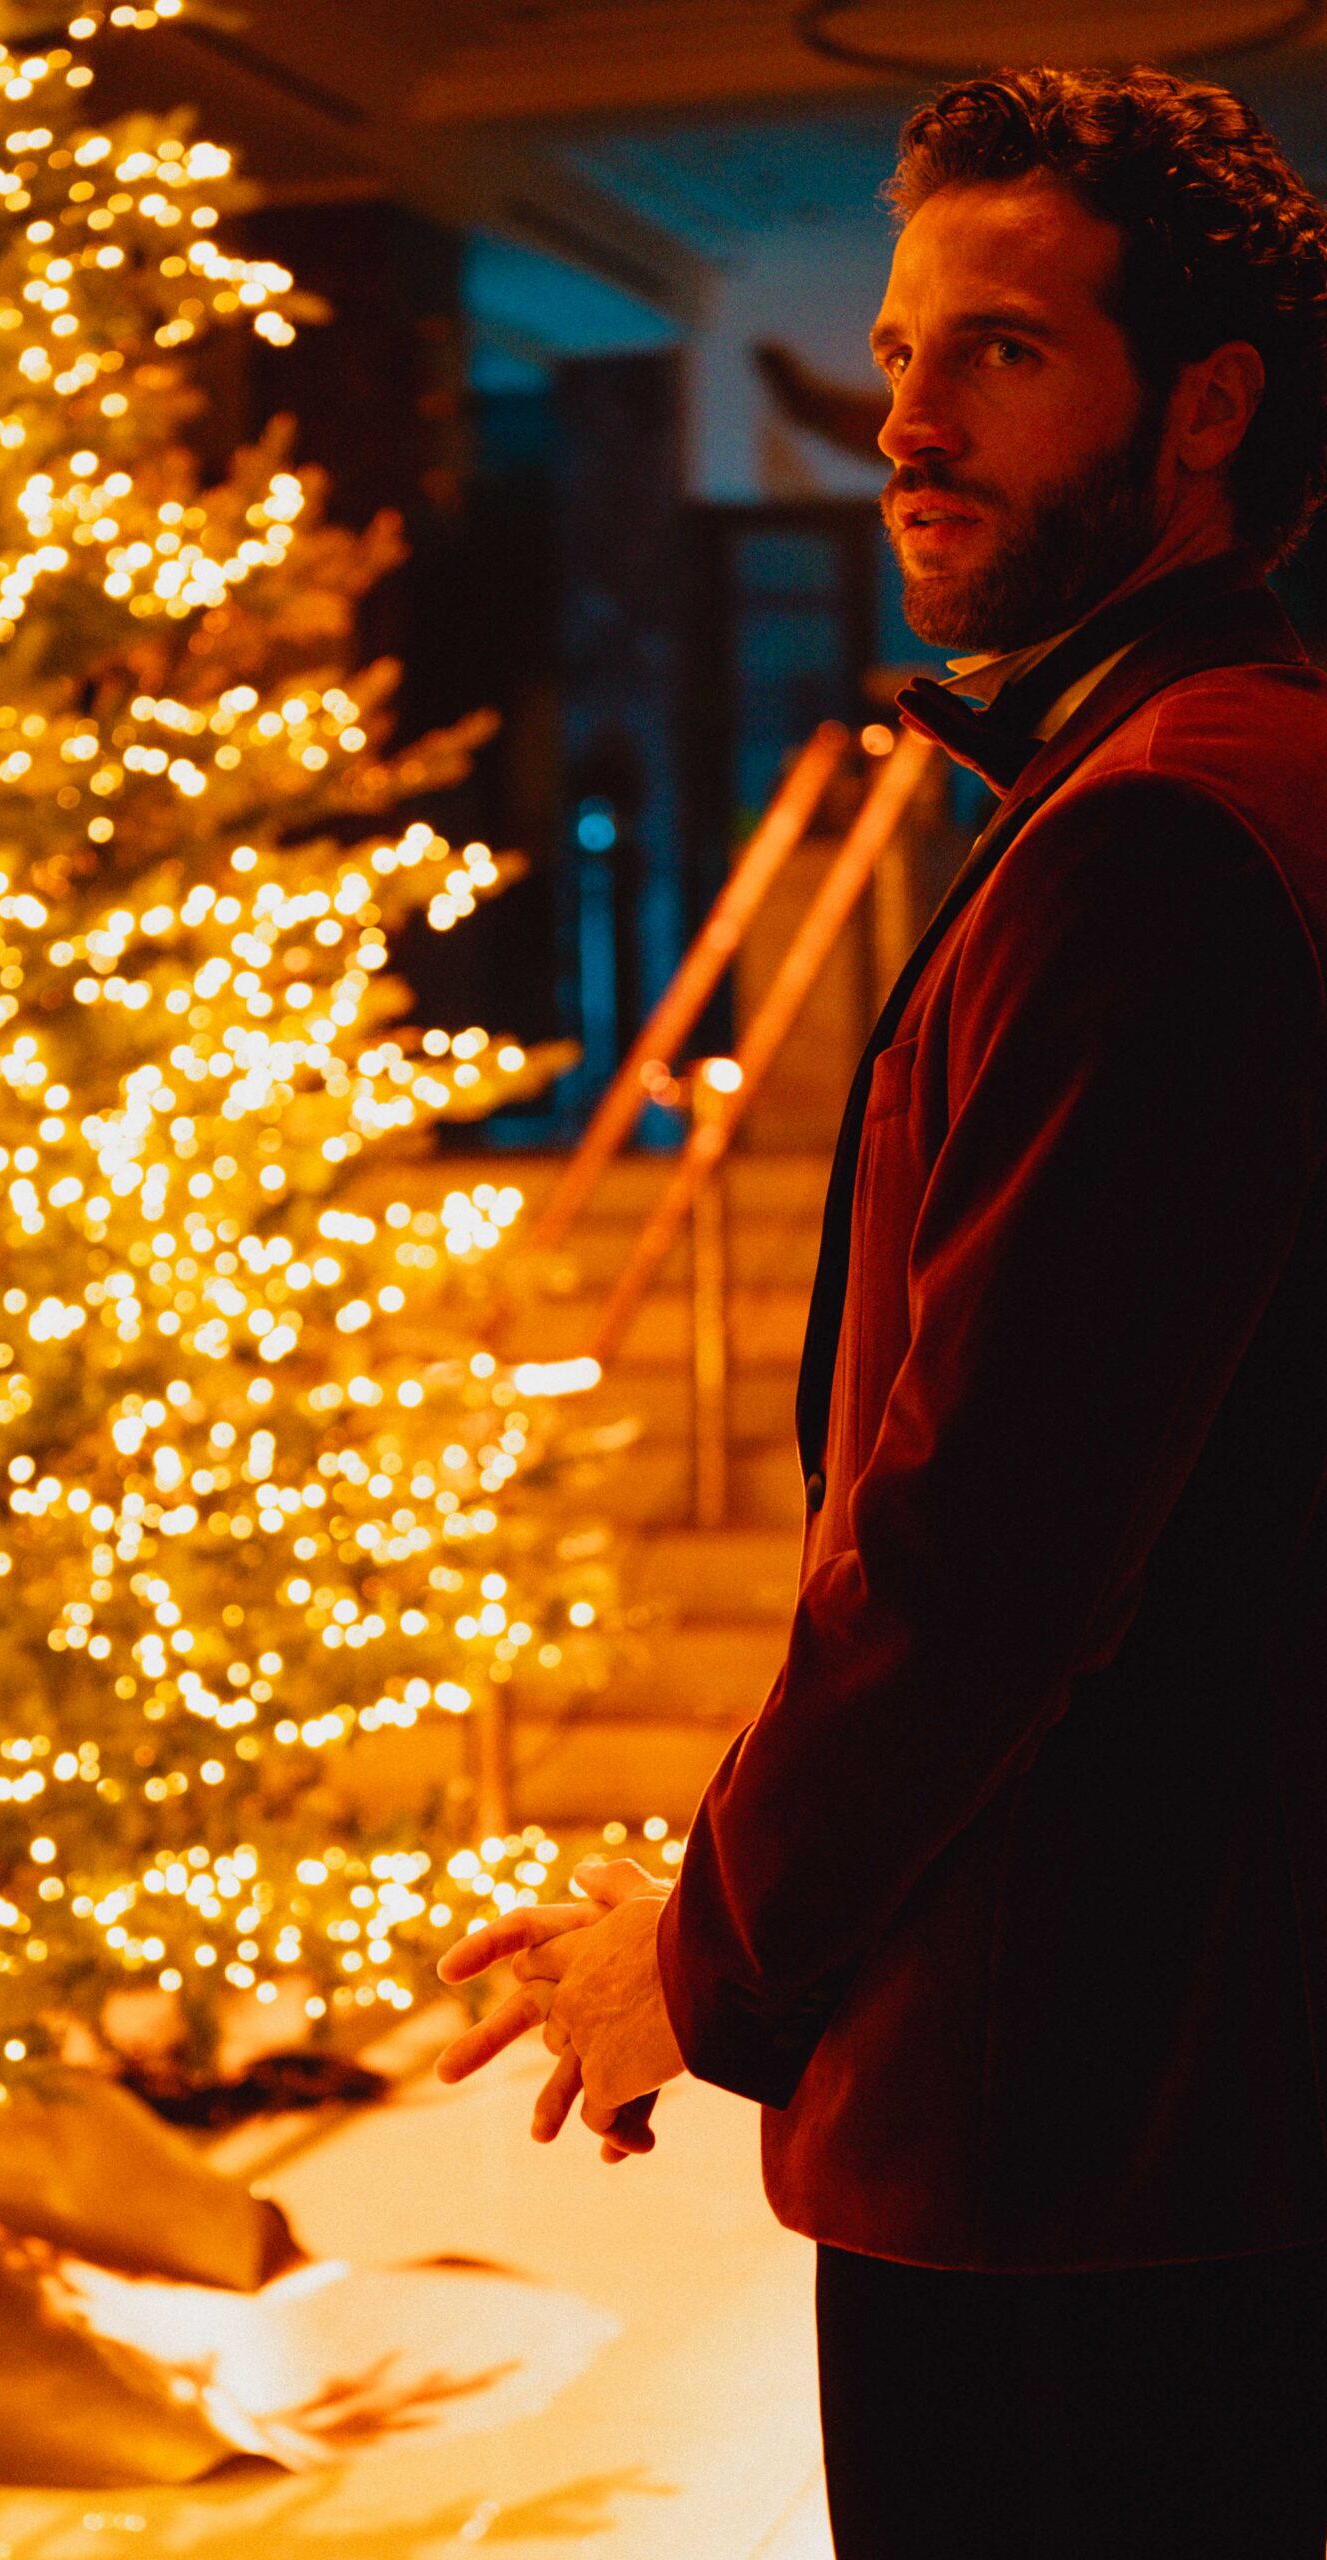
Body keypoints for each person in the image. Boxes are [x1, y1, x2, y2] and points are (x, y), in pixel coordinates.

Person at [436, 64, 1327, 2560]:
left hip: (1088, 2136)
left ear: (1206, 412)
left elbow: (984, 1560)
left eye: (1004, 352)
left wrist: (697, 1952)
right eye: (903, 347)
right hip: (1172, 2092)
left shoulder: (1160, 839)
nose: (907, 415)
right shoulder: (1192, 780)